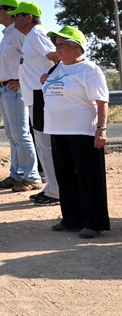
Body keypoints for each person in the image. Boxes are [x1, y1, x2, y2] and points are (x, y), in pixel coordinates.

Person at [42, 26, 110, 238]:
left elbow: (102, 101)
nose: (57, 48)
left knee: (89, 178)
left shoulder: (89, 70)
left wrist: (101, 129)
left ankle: (94, 223)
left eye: (62, 44)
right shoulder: (58, 67)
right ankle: (72, 219)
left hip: (83, 131)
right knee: (65, 176)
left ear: (76, 47)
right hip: (58, 129)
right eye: (57, 44)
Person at [8, 1, 60, 206]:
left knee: (46, 146)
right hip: (34, 97)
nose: (14, 18)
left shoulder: (37, 34)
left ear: (28, 17)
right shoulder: (30, 37)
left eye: (17, 15)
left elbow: (57, 57)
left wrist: (52, 78)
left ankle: (56, 191)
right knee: (42, 145)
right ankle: (51, 188)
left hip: (41, 96)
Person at [0, 0, 42, 193]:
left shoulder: (20, 34)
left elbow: (32, 60)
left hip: (15, 90)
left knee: (21, 134)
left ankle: (32, 176)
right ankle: (17, 174)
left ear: (10, 11)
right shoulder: (8, 35)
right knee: (13, 135)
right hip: (5, 89)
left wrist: (21, 82)